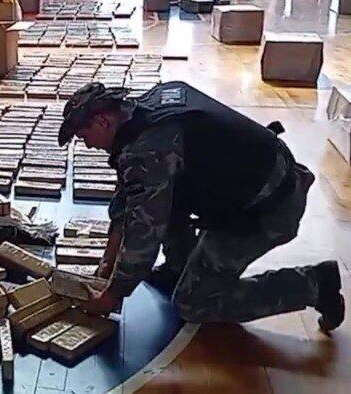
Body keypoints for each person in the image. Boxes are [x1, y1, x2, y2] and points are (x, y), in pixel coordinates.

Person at [58, 81, 345, 332]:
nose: (88, 145)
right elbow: (128, 200)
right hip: (259, 179)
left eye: (84, 137)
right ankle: (178, 268)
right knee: (163, 201)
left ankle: (314, 285)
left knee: (193, 304)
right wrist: (106, 264)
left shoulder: (149, 150)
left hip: (267, 209)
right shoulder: (146, 109)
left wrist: (111, 295)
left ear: (101, 122)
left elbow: (142, 237)